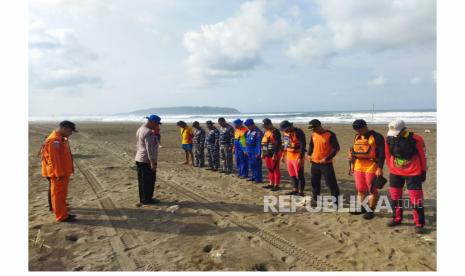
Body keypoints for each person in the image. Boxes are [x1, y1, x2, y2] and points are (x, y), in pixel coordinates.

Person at [385, 120, 428, 234]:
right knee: (395, 197)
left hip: (413, 172)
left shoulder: (417, 139)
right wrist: (391, 168)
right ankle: (397, 218)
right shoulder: (389, 138)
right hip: (395, 172)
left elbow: (422, 156)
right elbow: (387, 154)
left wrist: (423, 171)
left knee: (416, 199)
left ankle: (419, 223)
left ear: (404, 129)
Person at [40, 121, 78, 222]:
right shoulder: (54, 141)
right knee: (58, 194)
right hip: (58, 174)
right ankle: (61, 216)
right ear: (64, 128)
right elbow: (54, 160)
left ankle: (62, 211)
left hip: (62, 172)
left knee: (61, 194)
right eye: (70, 131)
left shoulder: (60, 139)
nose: (71, 134)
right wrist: (58, 174)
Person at [348, 119, 386, 219]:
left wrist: (380, 168)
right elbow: (354, 152)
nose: (358, 132)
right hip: (358, 165)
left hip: (372, 165)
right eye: (356, 130)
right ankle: (362, 207)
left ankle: (370, 210)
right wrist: (351, 164)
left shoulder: (377, 137)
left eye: (360, 130)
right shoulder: (357, 136)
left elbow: (382, 154)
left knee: (372, 190)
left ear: (365, 126)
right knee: (360, 189)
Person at [306, 119, 341, 206]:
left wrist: (327, 158)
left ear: (319, 126)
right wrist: (309, 154)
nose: (312, 130)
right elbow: (311, 145)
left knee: (330, 183)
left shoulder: (330, 134)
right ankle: (315, 198)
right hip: (314, 162)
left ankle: (336, 201)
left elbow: (336, 148)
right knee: (314, 182)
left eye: (314, 128)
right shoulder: (313, 134)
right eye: (311, 129)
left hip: (326, 164)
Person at [135, 115, 161, 206]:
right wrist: (152, 162)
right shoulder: (148, 132)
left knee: (142, 180)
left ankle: (143, 198)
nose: (158, 125)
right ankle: (147, 199)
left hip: (139, 158)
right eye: (157, 123)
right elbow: (149, 148)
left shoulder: (141, 128)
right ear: (151, 122)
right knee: (148, 181)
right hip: (146, 160)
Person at [280, 120, 306, 196]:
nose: (285, 130)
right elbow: (285, 145)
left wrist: (300, 157)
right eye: (284, 129)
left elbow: (302, 145)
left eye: (286, 129)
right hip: (289, 157)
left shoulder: (298, 132)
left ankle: (301, 191)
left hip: (297, 157)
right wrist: (283, 155)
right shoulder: (285, 133)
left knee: (300, 175)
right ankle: (295, 189)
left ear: (290, 126)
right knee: (292, 174)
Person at [261, 118, 282, 191]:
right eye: (264, 126)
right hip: (267, 153)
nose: (265, 127)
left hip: (274, 153)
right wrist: (263, 153)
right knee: (269, 169)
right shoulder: (266, 132)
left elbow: (278, 144)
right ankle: (271, 183)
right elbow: (264, 143)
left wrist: (275, 154)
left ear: (269, 124)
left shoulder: (276, 132)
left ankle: (277, 185)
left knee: (275, 169)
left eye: (266, 126)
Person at [244, 119, 263, 183]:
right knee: (251, 164)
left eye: (248, 126)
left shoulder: (258, 132)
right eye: (247, 126)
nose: (247, 127)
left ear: (252, 125)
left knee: (256, 165)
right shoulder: (249, 131)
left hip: (255, 150)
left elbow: (258, 143)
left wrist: (258, 153)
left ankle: (258, 179)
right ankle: (253, 176)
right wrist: (246, 150)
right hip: (249, 150)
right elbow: (246, 141)